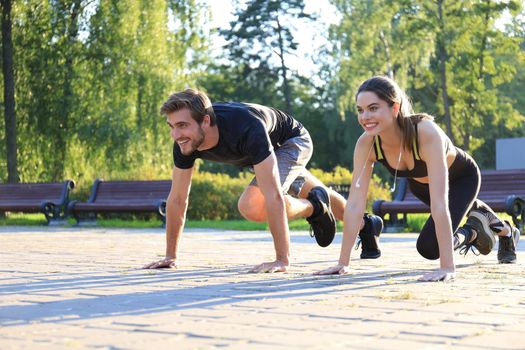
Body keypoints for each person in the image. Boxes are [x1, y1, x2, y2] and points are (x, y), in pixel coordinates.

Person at [143, 88, 383, 273]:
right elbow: (177, 199)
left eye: (182, 125)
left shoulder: (245, 127)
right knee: (316, 190)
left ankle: (314, 207)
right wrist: (170, 257)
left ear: (205, 120)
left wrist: (282, 259)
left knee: (252, 205)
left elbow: (274, 196)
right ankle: (365, 225)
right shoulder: (185, 143)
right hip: (261, 153)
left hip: (291, 142)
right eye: (172, 127)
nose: (176, 134)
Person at [315, 76, 520, 281]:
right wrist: (343, 262)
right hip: (421, 186)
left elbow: (440, 204)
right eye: (360, 110)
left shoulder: (426, 133)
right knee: (436, 239)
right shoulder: (366, 144)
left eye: (373, 108)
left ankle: (484, 230)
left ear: (394, 108)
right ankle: (486, 218)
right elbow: (354, 204)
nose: (365, 116)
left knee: (429, 248)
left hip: (461, 180)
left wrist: (447, 267)